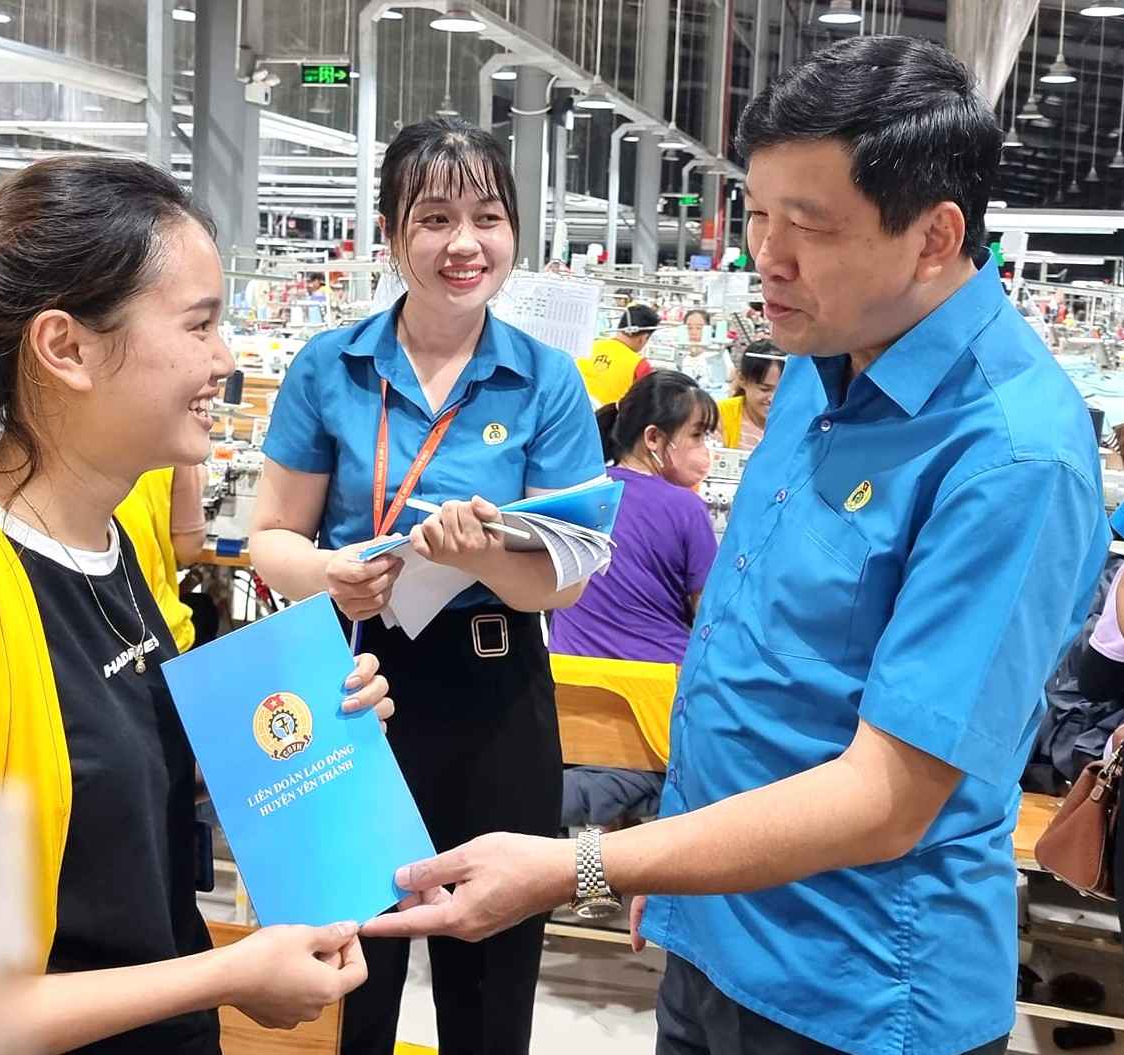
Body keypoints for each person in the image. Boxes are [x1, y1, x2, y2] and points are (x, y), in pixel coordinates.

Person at [363, 37, 1108, 1055]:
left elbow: (888, 796)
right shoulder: (820, 357)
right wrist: (672, 878)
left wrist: (591, 864)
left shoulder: (1012, 457)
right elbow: (749, 644)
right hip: (711, 932)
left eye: (809, 226)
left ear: (935, 236)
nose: (767, 257)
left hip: (855, 991)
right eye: (756, 215)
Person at [0, 158, 392, 1053]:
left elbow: (110, 815)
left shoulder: (113, 552)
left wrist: (300, 733)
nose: (225, 362)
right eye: (200, 324)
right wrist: (226, 972)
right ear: (65, 347)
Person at [248, 117, 602, 1055]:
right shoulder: (331, 365)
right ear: (391, 231)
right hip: (353, 682)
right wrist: (330, 572)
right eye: (434, 217)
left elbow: (557, 587)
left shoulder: (546, 380)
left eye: (487, 216)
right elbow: (267, 540)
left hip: (495, 690)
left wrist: (478, 551)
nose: (464, 243)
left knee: (490, 975)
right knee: (349, 965)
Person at [551, 371, 720, 827]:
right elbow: (709, 619)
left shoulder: (578, 495)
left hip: (567, 691)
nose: (707, 452)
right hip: (656, 706)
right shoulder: (686, 508)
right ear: (653, 438)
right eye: (699, 436)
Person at [114, 465, 208, 653]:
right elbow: (189, 552)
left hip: (93, 634)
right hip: (159, 631)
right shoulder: (178, 450)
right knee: (206, 611)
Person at [576, 302, 659, 408]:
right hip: (608, 422)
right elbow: (646, 405)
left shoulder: (588, 346)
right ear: (643, 338)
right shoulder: (640, 365)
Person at [717, 340, 785, 451]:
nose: (773, 399)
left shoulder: (797, 420)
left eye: (782, 392)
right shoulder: (720, 415)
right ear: (742, 380)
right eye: (765, 389)